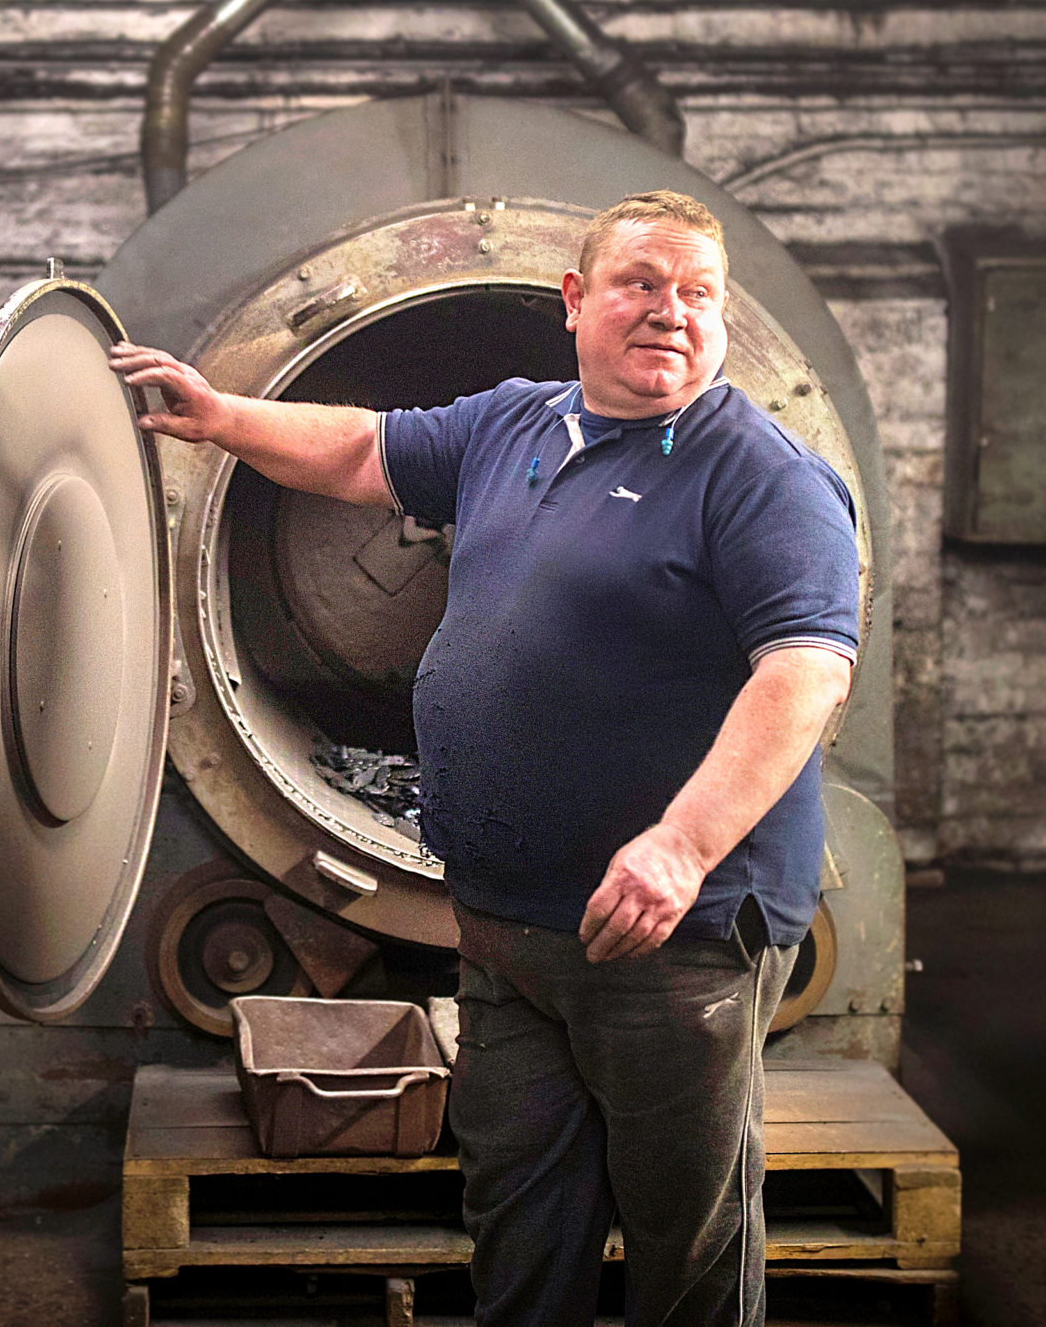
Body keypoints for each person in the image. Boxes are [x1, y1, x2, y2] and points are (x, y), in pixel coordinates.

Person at [107, 189, 861, 1327]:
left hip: (672, 935)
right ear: (575, 301)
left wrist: (681, 844)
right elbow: (360, 451)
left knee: (685, 1238)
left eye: (698, 293)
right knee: (519, 1217)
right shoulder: (517, 423)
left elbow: (805, 669)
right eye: (641, 284)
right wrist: (223, 418)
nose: (671, 311)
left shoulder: (759, 473)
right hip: (507, 923)